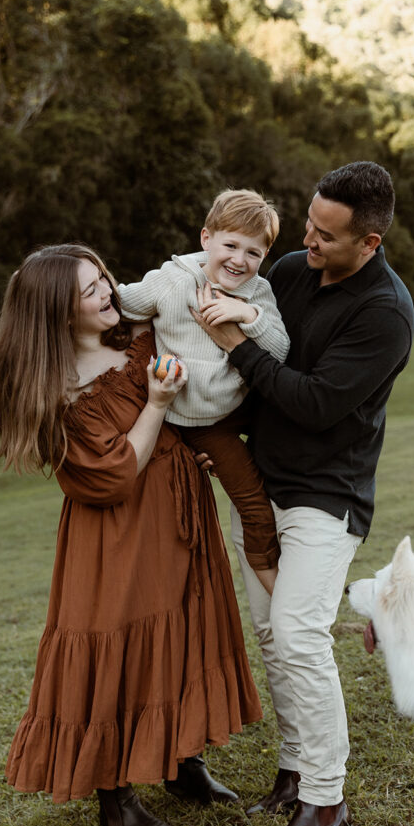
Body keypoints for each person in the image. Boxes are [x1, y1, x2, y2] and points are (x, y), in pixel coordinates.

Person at [0, 243, 262, 826]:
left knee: (186, 629)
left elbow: (192, 270)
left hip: (178, 513)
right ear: (59, 313)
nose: (107, 293)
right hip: (117, 536)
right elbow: (113, 473)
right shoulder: (56, 389)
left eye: (103, 280)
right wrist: (159, 406)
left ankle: (182, 761)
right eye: (89, 291)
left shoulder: (132, 331)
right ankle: (115, 798)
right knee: (121, 644)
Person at [193, 161, 414, 826]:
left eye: (325, 235)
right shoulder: (289, 271)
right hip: (260, 484)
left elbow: (316, 402)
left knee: (297, 633)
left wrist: (235, 344)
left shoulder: (384, 312)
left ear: (369, 242)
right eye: (309, 225)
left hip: (327, 495)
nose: (308, 241)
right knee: (270, 634)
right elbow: (257, 385)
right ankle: (293, 772)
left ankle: (325, 799)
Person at [118, 189, 289, 596]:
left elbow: (280, 350)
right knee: (190, 505)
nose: (239, 260)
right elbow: (121, 302)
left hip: (228, 413)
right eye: (230, 245)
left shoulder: (257, 293)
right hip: (185, 420)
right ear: (205, 238)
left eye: (253, 253)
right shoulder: (173, 280)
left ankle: (280, 593)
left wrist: (247, 315)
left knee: (253, 502)